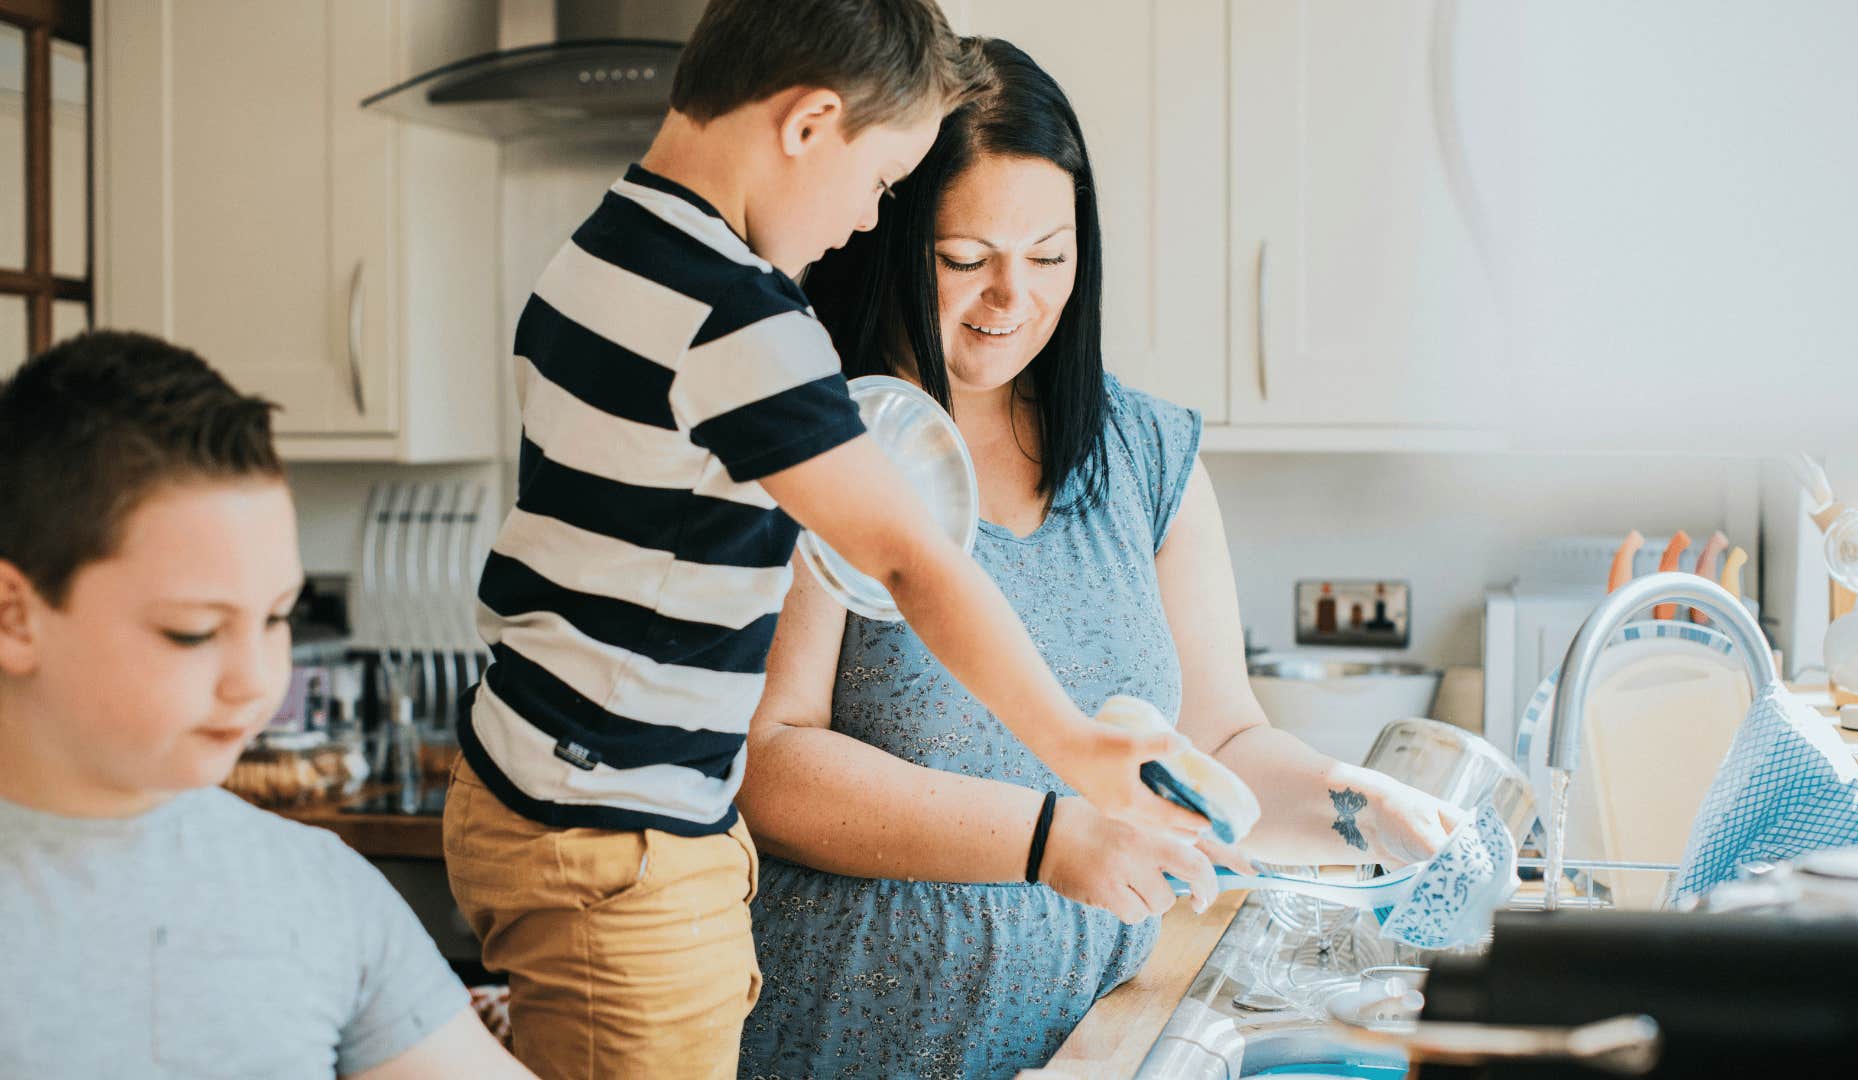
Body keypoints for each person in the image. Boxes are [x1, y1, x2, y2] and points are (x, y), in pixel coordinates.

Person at [443, 3, 1213, 1077]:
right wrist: (1073, 748)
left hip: (524, 792)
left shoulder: (601, 251)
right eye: (881, 181)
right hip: (623, 836)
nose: (866, 223)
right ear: (808, 124)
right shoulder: (744, 322)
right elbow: (910, 559)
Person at [736, 39, 1466, 1078]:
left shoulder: (1144, 455)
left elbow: (1216, 739)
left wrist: (1359, 805)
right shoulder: (833, 439)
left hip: (1092, 1043)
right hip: (855, 1046)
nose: (1012, 298)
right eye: (964, 258)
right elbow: (775, 762)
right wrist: (1050, 835)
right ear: (891, 234)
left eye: (1049, 255)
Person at [0, 331, 531, 1079]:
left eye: (279, 616)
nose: (257, 681)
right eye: (193, 632)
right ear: (13, 617)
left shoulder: (318, 887)